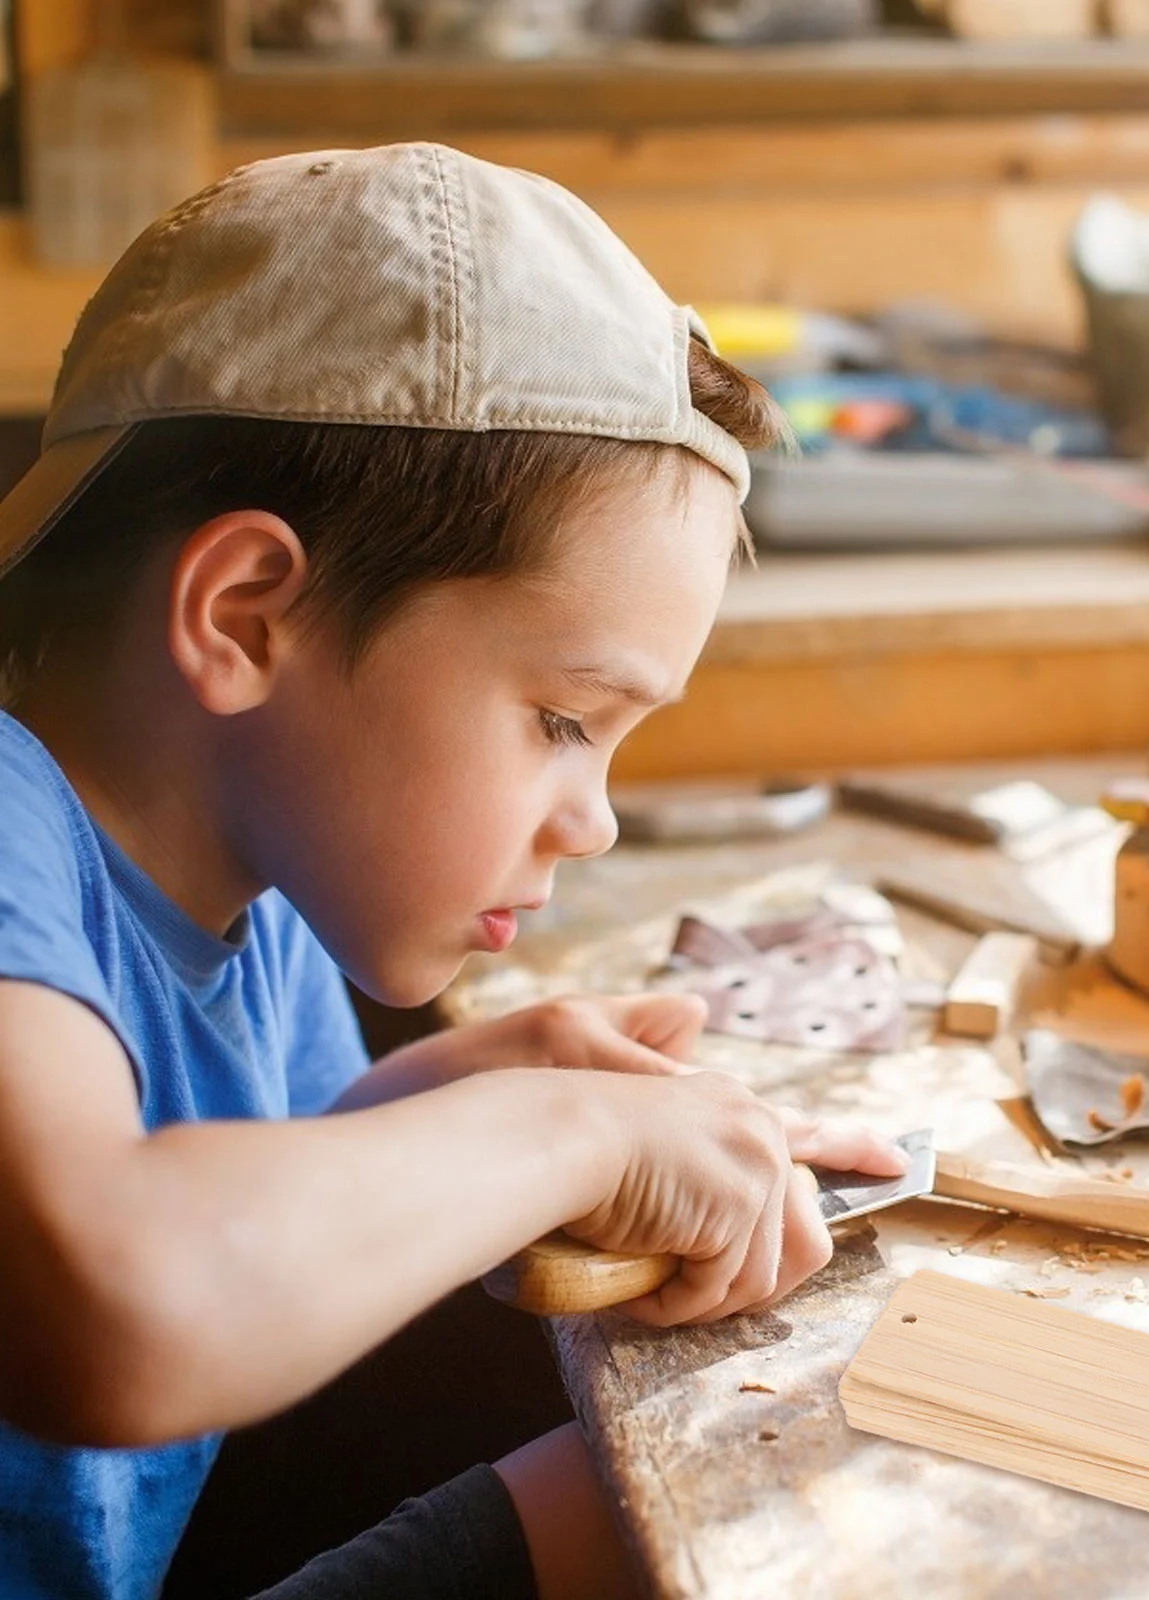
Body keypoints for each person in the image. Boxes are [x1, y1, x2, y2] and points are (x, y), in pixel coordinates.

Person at [0, 141, 908, 1600]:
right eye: (562, 720)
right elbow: (122, 1308)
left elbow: (264, 1187)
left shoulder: (248, 877)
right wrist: (565, 1137)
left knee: (762, 1448)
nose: (594, 819)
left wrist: (494, 1077)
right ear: (242, 618)